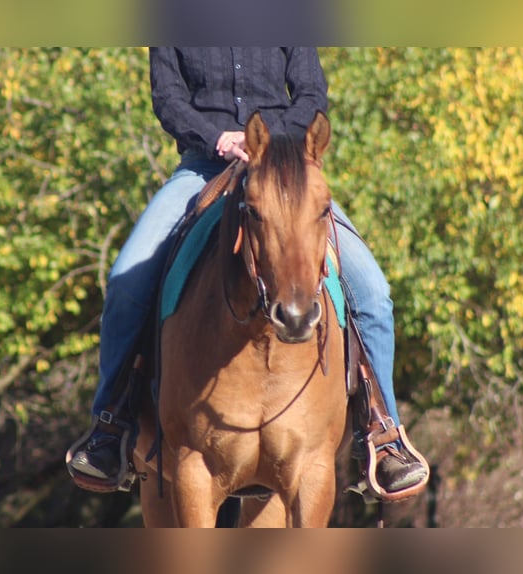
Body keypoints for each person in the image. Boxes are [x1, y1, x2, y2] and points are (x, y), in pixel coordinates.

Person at [67, 47, 427, 496]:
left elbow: (311, 92)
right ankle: (110, 426)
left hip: (284, 173)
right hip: (203, 169)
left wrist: (266, 143)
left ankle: (382, 432)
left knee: (372, 292)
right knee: (125, 280)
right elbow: (168, 100)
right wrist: (221, 139)